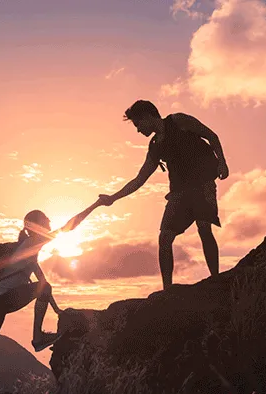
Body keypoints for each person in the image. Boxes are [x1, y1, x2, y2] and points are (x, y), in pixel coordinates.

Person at [0, 201, 101, 394]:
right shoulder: (32, 243)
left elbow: (43, 284)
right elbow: (70, 226)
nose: (50, 223)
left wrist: (57, 309)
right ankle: (37, 338)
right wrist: (95, 205)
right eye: (46, 221)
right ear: (36, 226)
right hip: (1, 299)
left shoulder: (27, 252)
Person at [98, 100, 229, 290]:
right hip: (179, 193)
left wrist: (222, 162)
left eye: (137, 124)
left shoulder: (179, 121)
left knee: (204, 227)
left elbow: (211, 136)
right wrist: (113, 198)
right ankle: (167, 290)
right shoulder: (155, 146)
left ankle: (216, 280)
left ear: (147, 116)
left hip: (202, 184)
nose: (137, 130)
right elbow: (139, 179)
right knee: (165, 238)